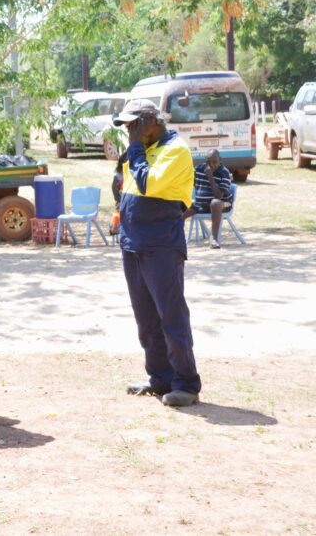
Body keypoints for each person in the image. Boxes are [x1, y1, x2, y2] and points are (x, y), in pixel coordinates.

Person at [113, 98, 201, 407]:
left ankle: (186, 383)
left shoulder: (175, 150)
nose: (130, 132)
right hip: (133, 242)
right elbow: (126, 187)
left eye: (135, 125)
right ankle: (160, 378)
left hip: (161, 243)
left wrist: (134, 148)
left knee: (171, 315)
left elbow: (148, 184)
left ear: (152, 119)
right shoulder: (142, 149)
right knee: (146, 318)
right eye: (128, 127)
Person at [183, 149, 233, 249]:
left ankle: (213, 238)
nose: (211, 165)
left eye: (215, 162)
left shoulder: (224, 172)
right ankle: (174, 236)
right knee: (180, 208)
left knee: (214, 203)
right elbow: (187, 183)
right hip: (201, 205)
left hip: (222, 204)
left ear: (220, 160)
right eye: (209, 162)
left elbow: (218, 196)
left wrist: (210, 177)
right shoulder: (198, 169)